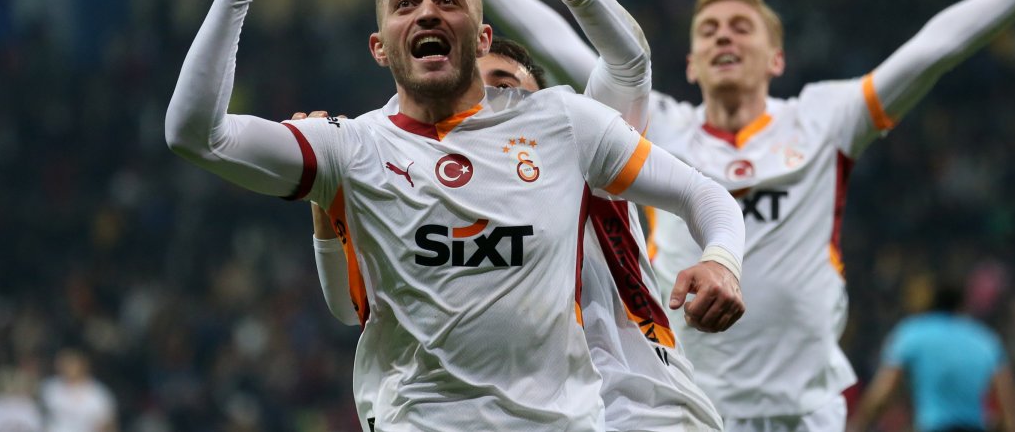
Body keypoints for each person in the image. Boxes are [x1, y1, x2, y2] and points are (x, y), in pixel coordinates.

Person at [381, 0, 1015, 431]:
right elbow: (556, 43)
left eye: (743, 27)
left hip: (803, 409)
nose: (724, 35)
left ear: (777, 57)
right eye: (709, 31)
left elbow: (934, 49)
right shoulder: (657, 124)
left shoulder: (826, 117)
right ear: (691, 63)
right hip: (685, 409)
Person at [164, 0, 748, 430]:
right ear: (378, 47)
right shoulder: (349, 147)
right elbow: (195, 134)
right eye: (406, 2)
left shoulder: (563, 123)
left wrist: (721, 260)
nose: (426, 11)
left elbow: (703, 193)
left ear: (483, 33)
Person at [308, 32, 725, 431]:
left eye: (505, 87)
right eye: (475, 89)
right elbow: (350, 310)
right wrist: (325, 194)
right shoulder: (429, 198)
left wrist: (723, 260)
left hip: (649, 409)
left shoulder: (578, 147)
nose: (487, 103)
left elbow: (629, 62)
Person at [846, 283, 1015, 432]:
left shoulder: (912, 333)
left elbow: (882, 393)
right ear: (961, 306)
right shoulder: (985, 340)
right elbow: (1009, 407)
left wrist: (857, 426)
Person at [41, 349, 117, 432]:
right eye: (64, 364)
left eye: (71, 363)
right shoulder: (49, 387)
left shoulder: (98, 394)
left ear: (83, 366)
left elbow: (108, 425)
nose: (68, 368)